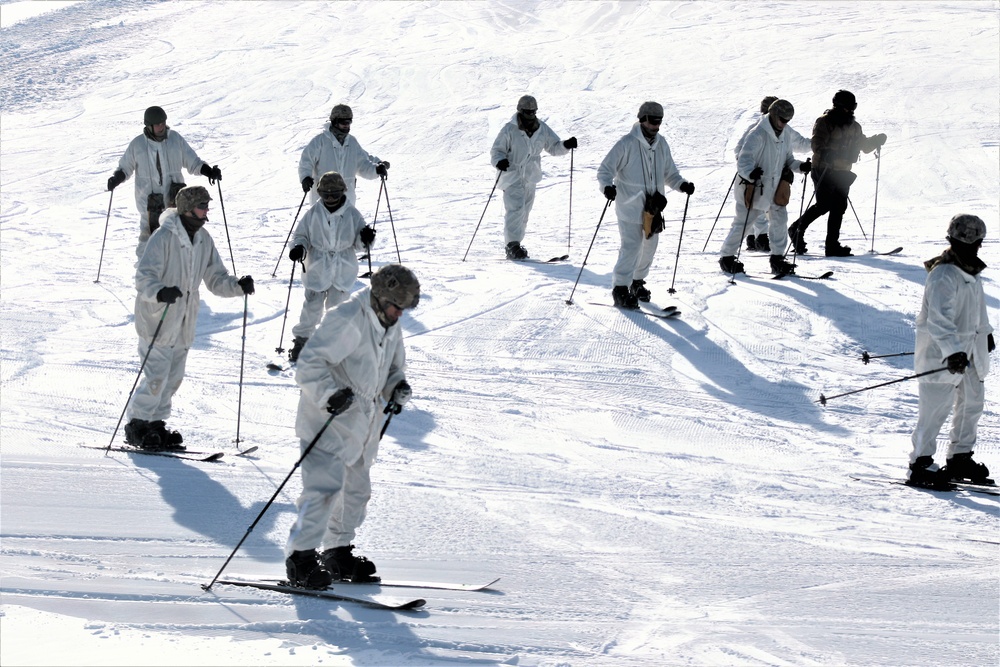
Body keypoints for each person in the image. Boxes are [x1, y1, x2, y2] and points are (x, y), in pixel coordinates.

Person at [284, 263, 419, 588]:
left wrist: (397, 387)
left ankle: (337, 552)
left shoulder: (389, 324)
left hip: (363, 424)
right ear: (379, 296)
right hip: (327, 420)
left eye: (403, 309)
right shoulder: (348, 318)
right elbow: (309, 364)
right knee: (323, 491)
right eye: (396, 307)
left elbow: (391, 370)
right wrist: (330, 395)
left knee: (356, 492)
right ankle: (300, 559)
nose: (399, 315)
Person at [123, 186, 254, 450]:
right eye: (202, 205)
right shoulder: (163, 237)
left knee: (173, 377)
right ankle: (137, 425)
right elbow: (143, 276)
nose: (206, 210)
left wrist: (237, 286)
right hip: (158, 316)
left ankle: (156, 424)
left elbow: (215, 278)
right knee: (156, 375)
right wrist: (160, 292)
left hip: (184, 320)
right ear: (187, 208)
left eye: (207, 205)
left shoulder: (203, 239)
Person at [907, 214, 994, 490]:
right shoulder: (944, 274)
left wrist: (986, 332)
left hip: (970, 351)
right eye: (966, 242)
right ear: (952, 240)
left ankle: (960, 457)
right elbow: (939, 319)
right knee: (935, 409)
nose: (972, 247)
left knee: (972, 404)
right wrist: (952, 350)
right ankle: (919, 464)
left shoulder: (970, 271)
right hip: (944, 353)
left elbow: (977, 309)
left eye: (975, 242)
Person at [597, 101, 694, 308]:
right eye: (651, 121)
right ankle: (620, 288)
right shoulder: (627, 143)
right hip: (630, 206)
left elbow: (670, 174)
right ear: (642, 119)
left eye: (659, 121)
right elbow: (605, 170)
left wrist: (682, 185)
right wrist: (607, 186)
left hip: (653, 208)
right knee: (631, 247)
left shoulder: (662, 144)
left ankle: (637, 282)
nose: (655, 126)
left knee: (649, 247)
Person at [106, 106, 222, 259]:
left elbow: (193, 162)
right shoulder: (138, 145)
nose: (161, 126)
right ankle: (144, 272)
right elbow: (125, 167)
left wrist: (209, 171)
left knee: (178, 236)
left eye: (163, 122)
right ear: (149, 126)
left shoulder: (175, 139)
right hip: (150, 203)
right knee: (149, 238)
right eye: (157, 124)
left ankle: (179, 274)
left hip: (175, 199)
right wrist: (117, 178)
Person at [286, 172, 375, 363]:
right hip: (317, 266)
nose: (330, 198)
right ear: (319, 193)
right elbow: (301, 236)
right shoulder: (313, 214)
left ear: (343, 191)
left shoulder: (352, 214)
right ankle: (302, 341)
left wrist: (366, 238)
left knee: (338, 308)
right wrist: (299, 248)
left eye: (334, 193)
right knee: (312, 307)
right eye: (326, 194)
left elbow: (360, 244)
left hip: (342, 268)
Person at [787, 90, 886, 257]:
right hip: (823, 168)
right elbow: (816, 143)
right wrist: (827, 153)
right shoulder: (824, 122)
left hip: (843, 171)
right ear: (840, 106)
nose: (852, 111)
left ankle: (832, 245)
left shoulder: (855, 127)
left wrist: (876, 141)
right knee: (824, 204)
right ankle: (796, 229)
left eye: (854, 106)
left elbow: (865, 145)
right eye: (850, 107)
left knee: (839, 206)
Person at [718, 100, 810, 276]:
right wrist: (750, 173)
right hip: (754, 189)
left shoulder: (785, 135)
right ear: (774, 115)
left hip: (775, 189)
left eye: (788, 120)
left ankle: (777, 259)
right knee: (743, 224)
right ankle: (727, 257)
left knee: (779, 222)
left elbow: (788, 159)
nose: (785, 123)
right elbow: (744, 159)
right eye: (782, 119)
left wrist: (800, 166)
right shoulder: (757, 134)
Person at [490, 95, 577, 260]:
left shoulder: (542, 129)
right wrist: (499, 161)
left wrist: (566, 145)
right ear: (520, 111)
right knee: (515, 210)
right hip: (512, 175)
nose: (530, 114)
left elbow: (554, 147)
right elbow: (497, 150)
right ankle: (512, 245)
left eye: (533, 111)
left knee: (524, 212)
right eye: (527, 111)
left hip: (530, 176)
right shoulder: (509, 129)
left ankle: (516, 245)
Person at [298, 104, 388, 208]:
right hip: (323, 200)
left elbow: (363, 164)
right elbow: (306, 160)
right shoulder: (320, 141)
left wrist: (376, 170)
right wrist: (305, 177)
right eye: (343, 122)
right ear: (335, 122)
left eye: (349, 122)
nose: (346, 125)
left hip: (347, 202)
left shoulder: (352, 143)